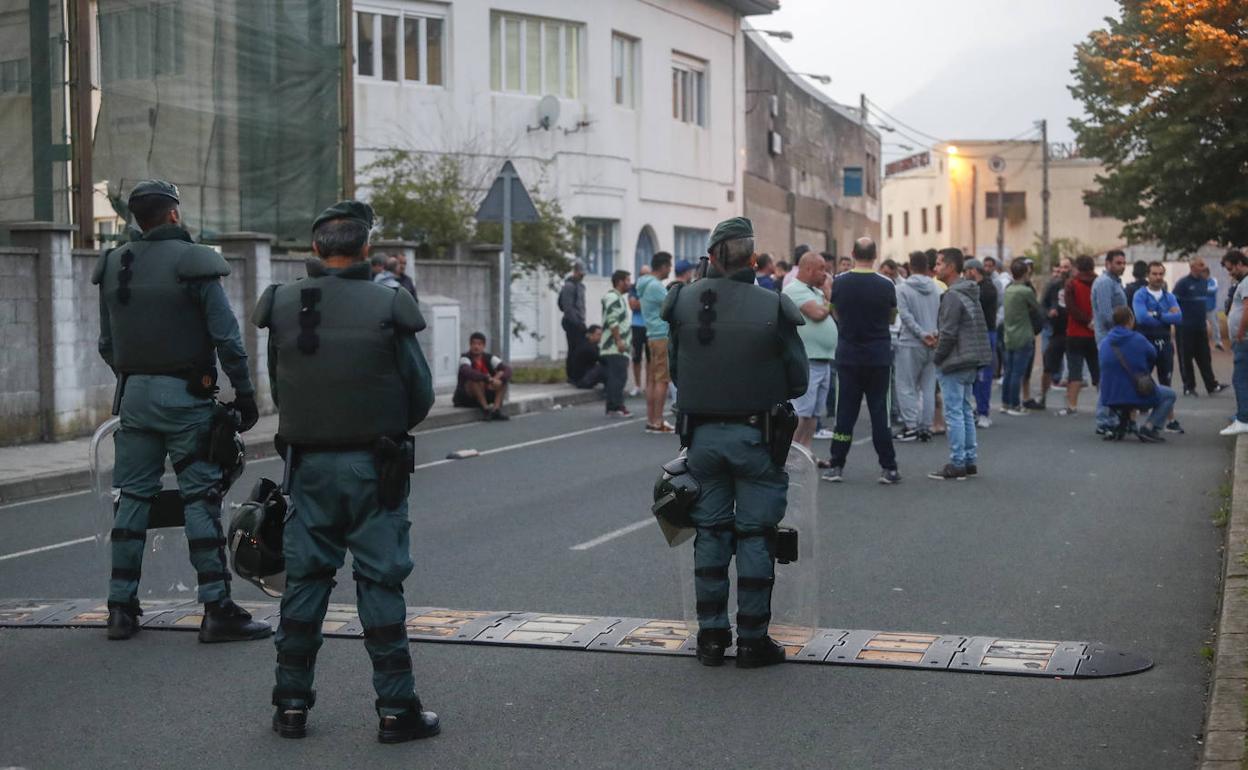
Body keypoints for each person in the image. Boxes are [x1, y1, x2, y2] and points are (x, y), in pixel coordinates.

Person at [254, 199, 439, 742]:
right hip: (373, 466)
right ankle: (395, 710)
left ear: (315, 249)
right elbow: (421, 394)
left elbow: (280, 386)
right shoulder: (389, 302)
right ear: (367, 250)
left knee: (305, 583)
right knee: (380, 582)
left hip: (306, 465)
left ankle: (290, 706)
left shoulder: (282, 304)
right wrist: (381, 427)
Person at [93, 179, 268, 643]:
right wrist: (246, 394)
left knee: (131, 498)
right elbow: (227, 338)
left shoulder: (112, 264)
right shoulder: (194, 261)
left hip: (133, 396)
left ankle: (120, 609)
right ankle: (217, 608)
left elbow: (106, 344)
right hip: (186, 398)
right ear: (173, 214)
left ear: (136, 219)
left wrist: (139, 379)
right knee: (199, 496)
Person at [661, 216, 808, 668]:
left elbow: (676, 372)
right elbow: (799, 380)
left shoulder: (681, 302)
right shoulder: (773, 305)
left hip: (701, 440)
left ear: (711, 257)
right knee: (755, 536)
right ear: (753, 259)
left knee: (710, 533)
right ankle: (751, 641)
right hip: (756, 440)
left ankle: (710, 639)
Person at [824, 238, 900, 484]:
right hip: (878, 356)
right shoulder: (887, 284)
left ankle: (836, 465)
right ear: (875, 255)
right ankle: (888, 467)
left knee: (844, 413)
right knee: (880, 413)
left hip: (848, 355)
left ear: (853, 252)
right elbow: (891, 317)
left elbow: (834, 311)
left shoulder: (840, 282)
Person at [928, 249, 992, 480]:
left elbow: (949, 332)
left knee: (954, 411)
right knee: (964, 410)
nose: (935, 268)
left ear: (951, 267)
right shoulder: (969, 291)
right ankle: (969, 460)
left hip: (954, 360)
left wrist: (937, 356)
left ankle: (957, 462)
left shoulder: (952, 295)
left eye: (938, 264)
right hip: (970, 357)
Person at [1098, 307, 1178, 443]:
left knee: (1121, 383)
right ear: (1130, 320)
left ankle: (1123, 424)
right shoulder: (1138, 339)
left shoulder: (1105, 343)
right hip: (1137, 393)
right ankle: (1150, 427)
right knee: (1169, 394)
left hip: (1109, 396)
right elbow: (1153, 355)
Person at [783, 251, 836, 451]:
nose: (825, 273)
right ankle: (790, 454)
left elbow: (833, 311)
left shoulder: (817, 291)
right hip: (808, 359)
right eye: (821, 269)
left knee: (814, 413)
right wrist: (829, 294)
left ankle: (805, 452)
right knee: (802, 413)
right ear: (808, 269)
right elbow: (818, 313)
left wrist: (827, 294)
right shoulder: (795, 290)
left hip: (823, 359)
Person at [894, 250, 942, 441]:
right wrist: (933, 334)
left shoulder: (902, 289)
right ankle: (926, 425)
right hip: (933, 342)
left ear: (910, 266)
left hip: (910, 342)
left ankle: (911, 425)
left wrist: (921, 334)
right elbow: (941, 314)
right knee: (928, 386)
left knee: (906, 385)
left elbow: (905, 316)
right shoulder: (937, 288)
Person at [1132, 261, 1183, 432]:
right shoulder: (1140, 295)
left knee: (1166, 381)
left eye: (1161, 274)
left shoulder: (1169, 297)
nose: (1158, 277)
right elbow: (1141, 318)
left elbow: (1179, 318)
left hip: (1165, 344)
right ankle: (1131, 420)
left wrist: (1156, 314)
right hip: (1144, 343)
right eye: (1154, 274)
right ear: (1148, 275)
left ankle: (1170, 421)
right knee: (1139, 380)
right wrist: (1167, 315)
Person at [1174, 259, 1227, 397]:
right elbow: (1173, 302)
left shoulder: (1204, 282)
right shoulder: (1183, 283)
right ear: (1192, 267)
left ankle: (1212, 385)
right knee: (1186, 358)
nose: (1205, 267)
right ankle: (1189, 387)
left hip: (1200, 327)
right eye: (1201, 265)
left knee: (1205, 356)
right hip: (1185, 328)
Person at [637, 252, 675, 433]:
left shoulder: (643, 284)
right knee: (662, 380)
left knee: (652, 379)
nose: (670, 269)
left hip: (651, 335)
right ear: (662, 267)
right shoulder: (656, 286)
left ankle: (651, 419)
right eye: (669, 266)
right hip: (661, 335)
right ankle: (658, 421)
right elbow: (671, 305)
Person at [1091, 249, 1129, 432]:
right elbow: (1106, 315)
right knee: (1108, 380)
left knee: (1114, 379)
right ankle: (1103, 420)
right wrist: (1125, 327)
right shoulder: (1105, 283)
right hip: (1109, 338)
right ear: (1107, 264)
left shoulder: (1115, 282)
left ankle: (1112, 418)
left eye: (1123, 263)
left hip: (1117, 337)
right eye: (1118, 263)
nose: (1122, 266)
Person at [1001, 259, 1044, 415]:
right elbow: (1036, 308)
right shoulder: (1025, 291)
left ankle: (1005, 403)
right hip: (1024, 334)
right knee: (1017, 373)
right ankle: (1015, 405)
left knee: (1009, 371)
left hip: (1009, 334)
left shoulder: (1008, 289)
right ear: (1025, 273)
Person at [1060, 255, 1099, 416]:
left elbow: (1070, 308)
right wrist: (1094, 321)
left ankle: (1072, 406)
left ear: (1077, 267)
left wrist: (1085, 321)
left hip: (1075, 333)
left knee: (1074, 372)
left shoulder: (1072, 284)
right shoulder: (1100, 282)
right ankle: (1104, 404)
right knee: (1098, 371)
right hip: (1095, 333)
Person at [964, 259, 997, 427]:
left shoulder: (987, 289)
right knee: (973, 377)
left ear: (973, 271)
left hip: (985, 335)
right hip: (975, 335)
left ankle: (984, 412)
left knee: (983, 376)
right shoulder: (978, 287)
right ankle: (977, 409)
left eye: (966, 271)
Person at [452, 332, 512, 421]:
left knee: (502, 377)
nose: (476, 347)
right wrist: (487, 378)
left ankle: (496, 410)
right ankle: (486, 410)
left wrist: (499, 379)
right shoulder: (465, 358)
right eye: (474, 344)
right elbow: (467, 371)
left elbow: (507, 369)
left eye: (479, 344)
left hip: (486, 391)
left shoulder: (489, 357)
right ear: (470, 345)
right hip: (467, 397)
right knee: (474, 379)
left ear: (484, 346)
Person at [1220, 250, 1248, 436]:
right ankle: (1242, 415)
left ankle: (1244, 420)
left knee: (1240, 379)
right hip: (1243, 338)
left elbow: (1247, 307)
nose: (1230, 273)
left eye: (1231, 269)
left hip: (1244, 339)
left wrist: (1239, 332)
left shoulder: (1246, 282)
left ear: (1239, 264)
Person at [601, 270, 633, 417]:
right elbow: (612, 321)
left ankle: (612, 406)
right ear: (619, 282)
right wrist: (619, 341)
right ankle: (616, 406)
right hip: (614, 347)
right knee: (617, 378)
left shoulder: (618, 298)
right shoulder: (612, 297)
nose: (629, 283)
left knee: (617, 377)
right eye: (627, 280)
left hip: (619, 347)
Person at [1040, 257, 1072, 405]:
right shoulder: (1053, 286)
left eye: (1067, 267)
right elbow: (1042, 305)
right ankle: (1042, 397)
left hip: (1074, 332)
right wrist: (1049, 313)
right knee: (1048, 365)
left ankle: (1071, 402)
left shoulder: (1076, 285)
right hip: (1057, 331)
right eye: (1062, 267)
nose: (1064, 270)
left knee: (1074, 368)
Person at [558, 261, 587, 380]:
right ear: (575, 272)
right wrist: (577, 323)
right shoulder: (569, 286)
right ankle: (572, 375)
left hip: (579, 321)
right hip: (572, 322)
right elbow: (567, 308)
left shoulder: (581, 286)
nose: (582, 276)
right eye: (580, 273)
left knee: (579, 349)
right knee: (573, 349)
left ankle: (578, 373)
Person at [628, 266, 650, 397]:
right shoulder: (634, 287)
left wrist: (639, 302)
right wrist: (647, 302)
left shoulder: (653, 287)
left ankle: (648, 386)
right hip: (637, 325)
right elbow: (632, 305)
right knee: (636, 357)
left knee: (650, 358)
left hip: (649, 326)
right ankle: (637, 385)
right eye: (642, 275)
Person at [1208, 271, 1224, 351]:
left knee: (1215, 326)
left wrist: (1202, 289)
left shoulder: (1213, 280)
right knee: (1199, 327)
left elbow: (1214, 289)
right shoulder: (1199, 281)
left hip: (1211, 308)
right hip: (1200, 308)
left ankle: (1218, 343)